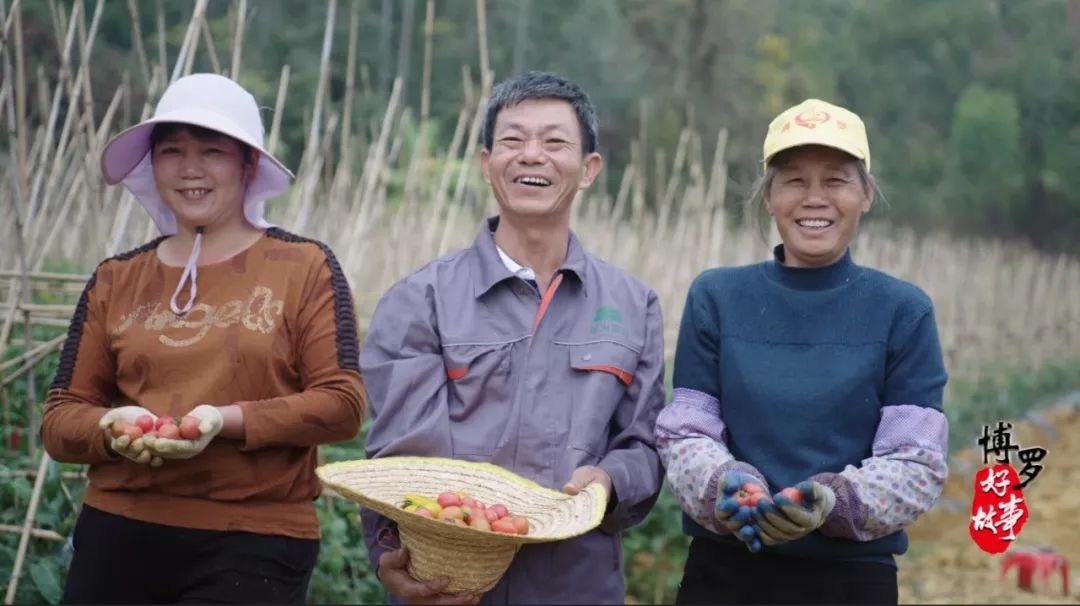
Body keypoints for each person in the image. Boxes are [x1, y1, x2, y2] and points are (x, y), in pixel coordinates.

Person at [41, 73, 366, 604]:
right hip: (118, 529)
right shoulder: (116, 278)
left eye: (212, 151)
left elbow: (342, 405)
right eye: (172, 151)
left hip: (255, 540)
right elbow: (60, 419)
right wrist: (110, 425)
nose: (190, 169)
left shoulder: (303, 266)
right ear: (153, 166)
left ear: (248, 165)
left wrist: (224, 421)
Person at [360, 71, 666, 605]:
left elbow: (643, 446)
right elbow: (399, 460)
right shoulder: (420, 299)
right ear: (486, 164)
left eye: (554, 142)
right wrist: (395, 556)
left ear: (589, 168)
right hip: (448, 585)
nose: (532, 155)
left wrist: (609, 479)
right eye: (512, 140)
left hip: (577, 584)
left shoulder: (633, 305)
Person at [656, 98, 949, 605]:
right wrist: (728, 484)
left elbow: (915, 461)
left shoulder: (903, 310)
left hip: (851, 580)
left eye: (836, 180)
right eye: (793, 180)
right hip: (726, 575)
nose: (815, 198)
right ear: (768, 196)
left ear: (866, 195)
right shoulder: (718, 297)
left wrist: (834, 501)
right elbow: (686, 433)